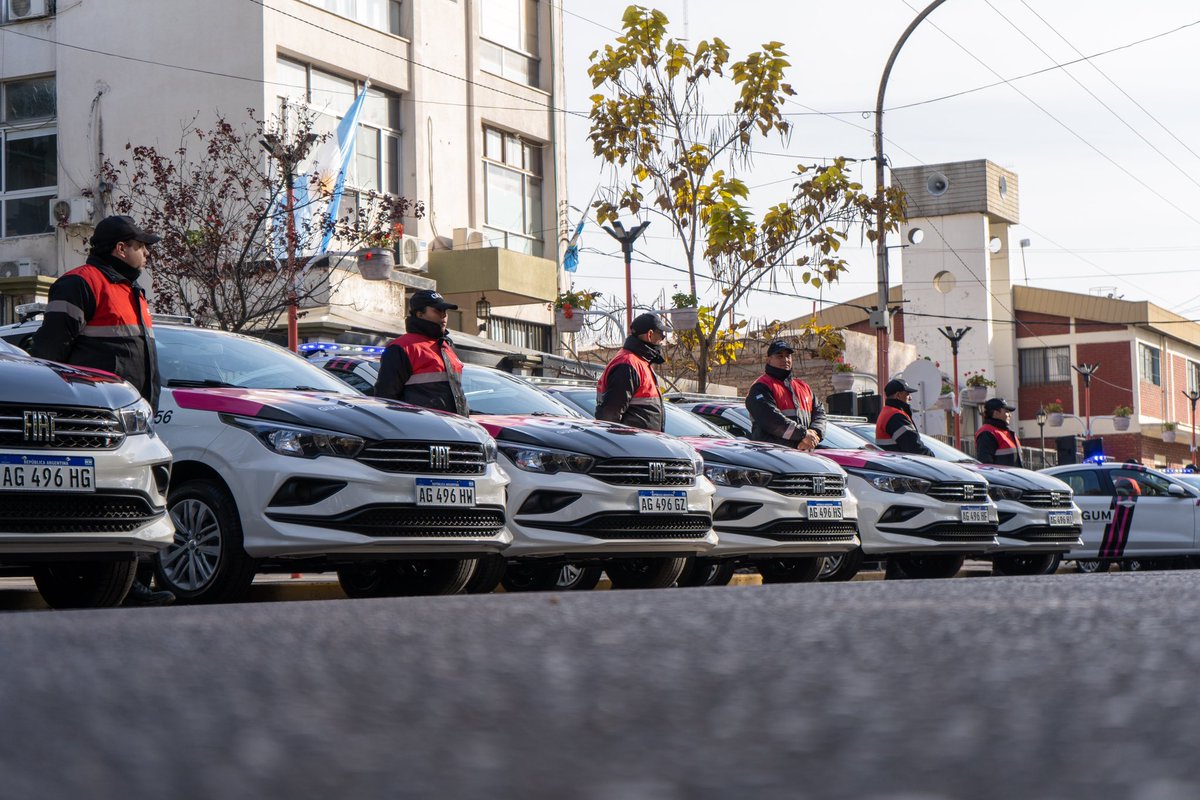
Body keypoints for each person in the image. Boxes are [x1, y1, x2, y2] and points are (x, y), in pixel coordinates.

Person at [30, 214, 173, 606]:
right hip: (92, 422)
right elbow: (50, 353)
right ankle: (126, 586)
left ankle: (134, 583)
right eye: (141, 245)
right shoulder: (81, 282)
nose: (147, 252)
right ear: (120, 249)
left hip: (131, 420)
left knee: (135, 498)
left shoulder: (133, 292)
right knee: (105, 501)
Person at [375, 289, 468, 414]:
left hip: (455, 426)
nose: (443, 315)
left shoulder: (445, 345)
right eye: (437, 310)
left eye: (445, 311)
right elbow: (386, 397)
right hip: (422, 427)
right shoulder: (401, 347)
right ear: (419, 314)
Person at [745, 340, 826, 450]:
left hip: (803, 453)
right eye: (780, 356)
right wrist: (803, 435)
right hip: (771, 456)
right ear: (768, 360)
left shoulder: (803, 387)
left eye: (788, 356)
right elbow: (771, 421)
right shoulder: (760, 387)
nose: (785, 360)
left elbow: (820, 413)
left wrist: (814, 433)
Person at [596, 312, 669, 431]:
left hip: (640, 443)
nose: (662, 340)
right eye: (661, 335)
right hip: (633, 445)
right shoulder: (628, 364)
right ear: (650, 335)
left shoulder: (638, 362)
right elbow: (609, 416)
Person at [876, 377, 935, 456]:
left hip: (894, 463)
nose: (910, 398)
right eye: (907, 394)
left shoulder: (887, 412)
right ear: (898, 395)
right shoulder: (896, 416)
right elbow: (914, 448)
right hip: (900, 465)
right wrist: (932, 456)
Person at [975, 397, 1023, 467]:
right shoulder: (987, 433)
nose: (1010, 415)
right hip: (1003, 477)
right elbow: (985, 465)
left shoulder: (1005, 431)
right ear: (996, 413)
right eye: (1006, 411)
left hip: (1013, 477)